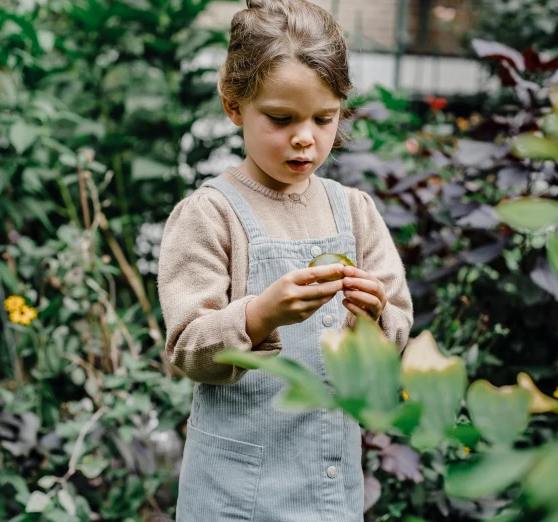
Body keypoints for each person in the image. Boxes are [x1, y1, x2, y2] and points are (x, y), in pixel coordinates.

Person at [157, 0, 414, 519]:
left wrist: (374, 320)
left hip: (327, 482)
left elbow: (396, 330)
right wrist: (258, 316)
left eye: (325, 118)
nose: (306, 137)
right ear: (234, 106)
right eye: (281, 118)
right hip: (235, 492)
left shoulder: (354, 211)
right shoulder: (210, 214)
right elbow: (188, 347)